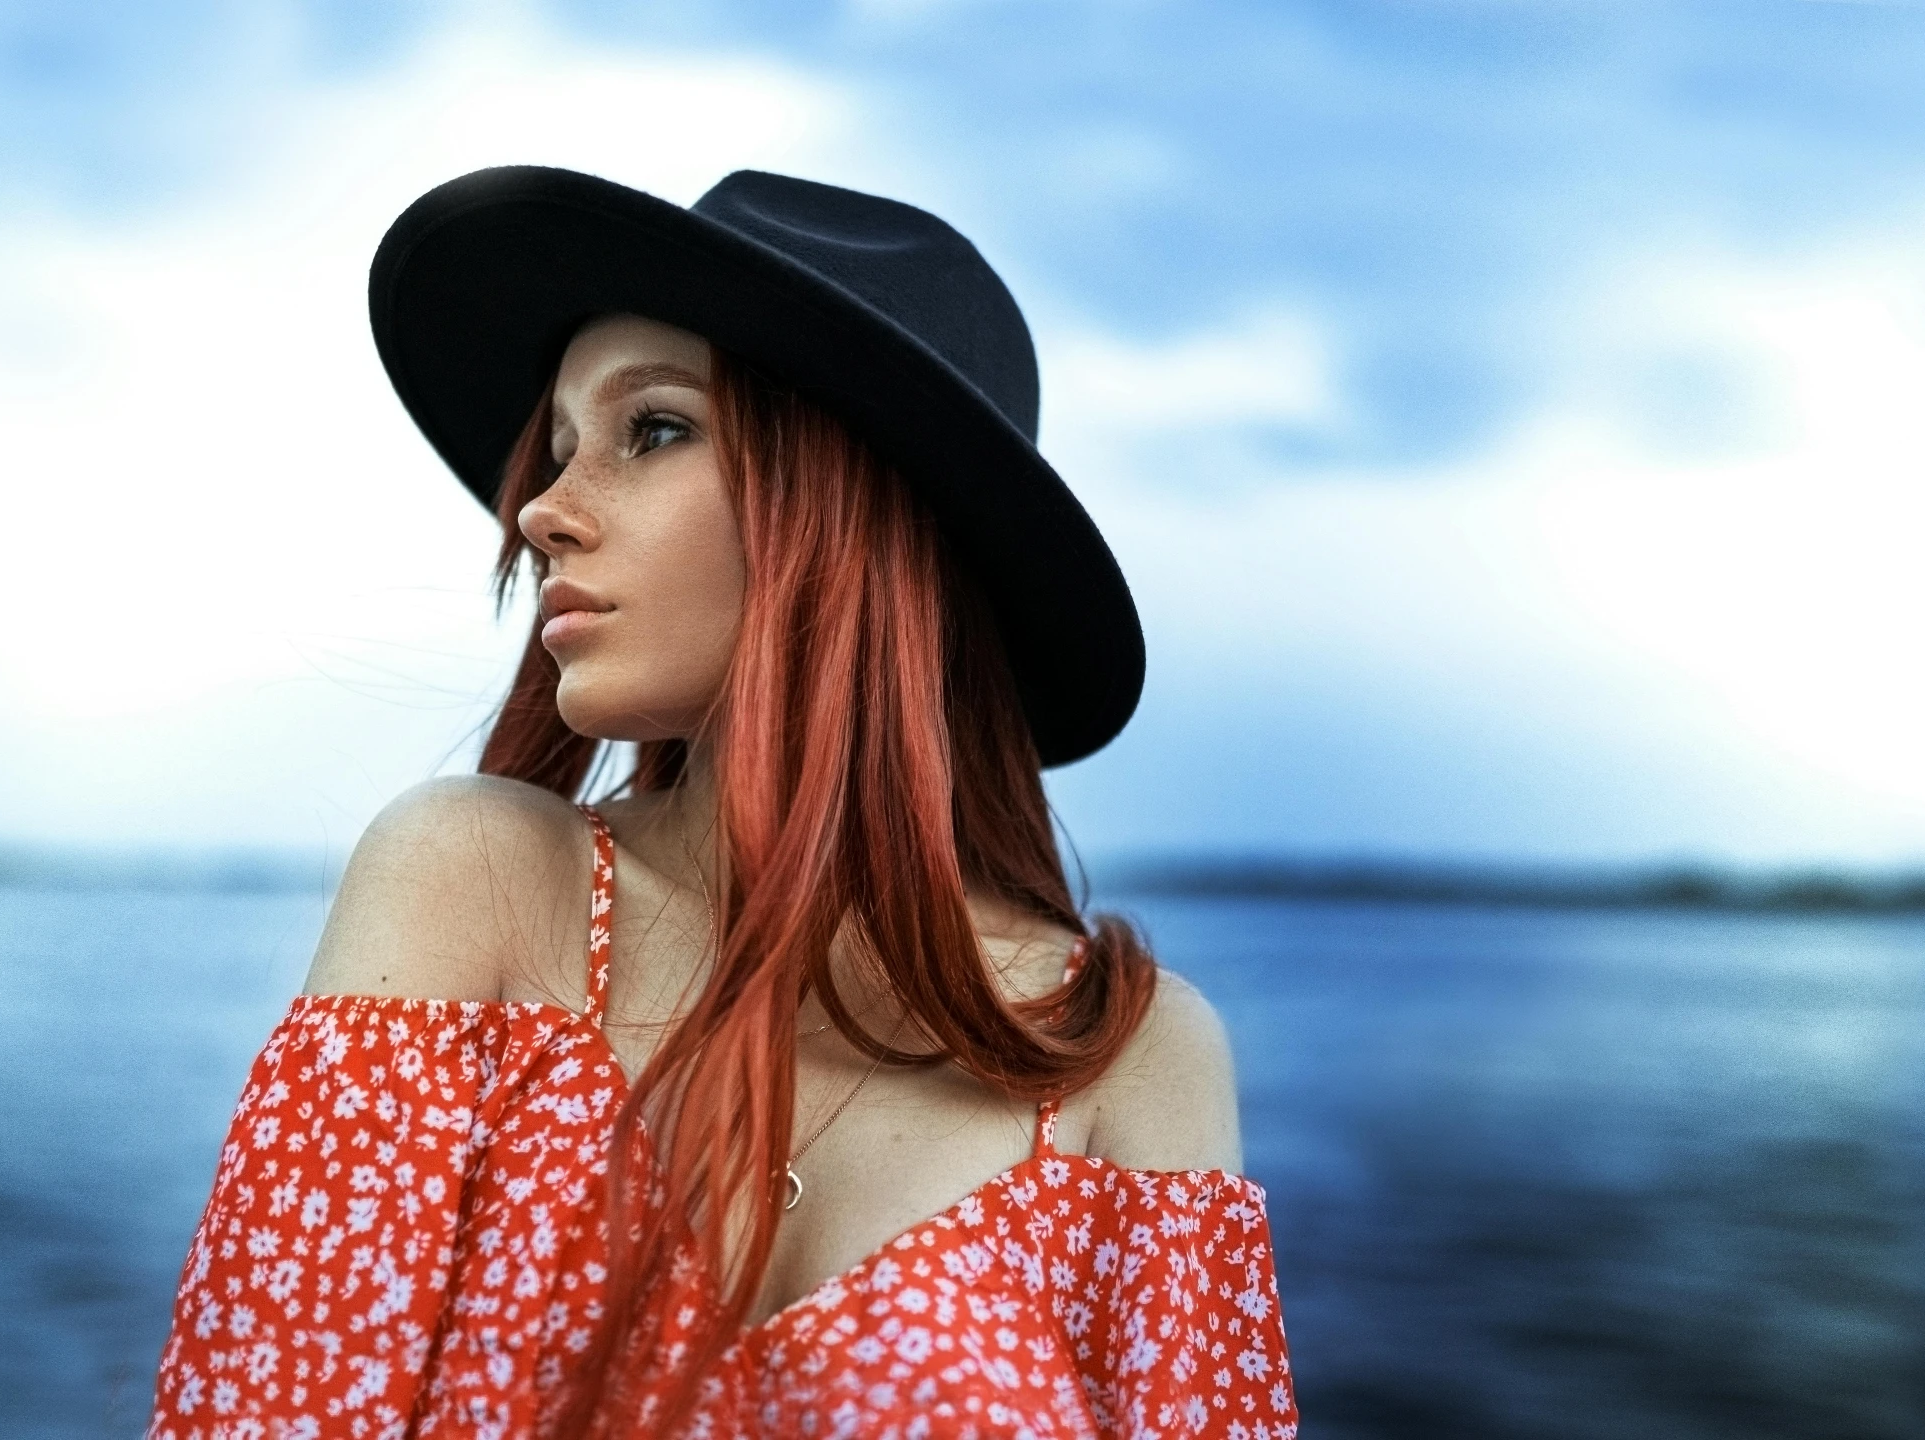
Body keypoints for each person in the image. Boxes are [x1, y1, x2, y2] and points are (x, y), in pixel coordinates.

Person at [146, 166, 1296, 1439]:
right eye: (562, 448)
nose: (539, 512)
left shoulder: (1125, 1052)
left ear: (861, 499)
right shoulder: (475, 882)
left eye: (651, 430)